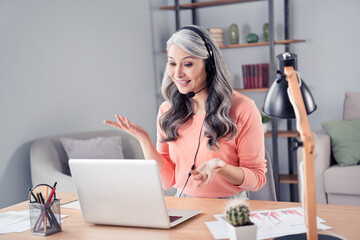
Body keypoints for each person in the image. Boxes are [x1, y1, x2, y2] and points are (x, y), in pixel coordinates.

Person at [104, 25, 266, 199]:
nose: (178, 73)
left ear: (209, 65)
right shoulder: (168, 111)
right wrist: (144, 139)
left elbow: (256, 179)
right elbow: (168, 182)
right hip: (183, 205)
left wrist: (221, 168)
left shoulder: (242, 108)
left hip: (230, 209)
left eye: (188, 64)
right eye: (172, 63)